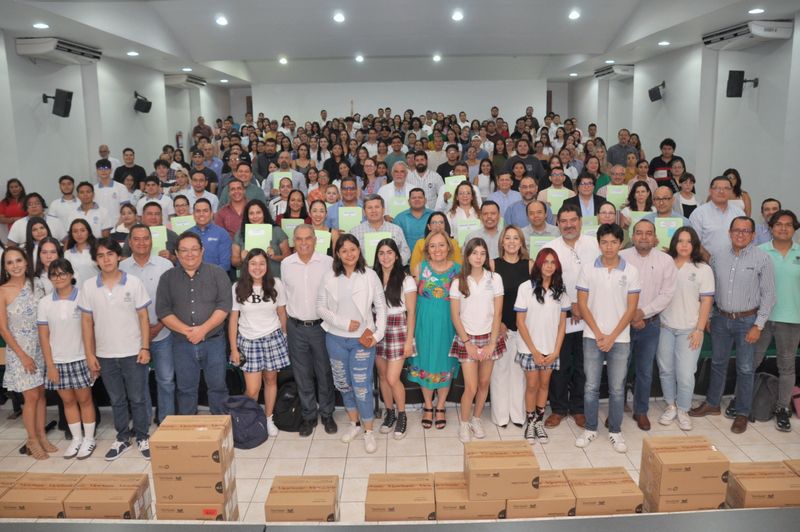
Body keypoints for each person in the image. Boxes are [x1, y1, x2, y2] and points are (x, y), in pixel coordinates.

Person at [689, 217, 775, 434]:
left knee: (745, 368)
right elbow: (711, 290)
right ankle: (712, 403)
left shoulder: (762, 258)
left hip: (748, 321)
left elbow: (769, 295)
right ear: (729, 233)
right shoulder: (718, 257)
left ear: (753, 235)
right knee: (718, 363)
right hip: (720, 319)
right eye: (736, 230)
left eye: (746, 231)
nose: (740, 234)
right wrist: (708, 317)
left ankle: (742, 413)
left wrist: (759, 324)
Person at [77, 238, 152, 460]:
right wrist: (90, 354)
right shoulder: (89, 286)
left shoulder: (134, 283)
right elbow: (86, 323)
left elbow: (143, 317)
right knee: (117, 399)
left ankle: (142, 436)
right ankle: (122, 438)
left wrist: (145, 347)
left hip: (133, 351)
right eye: (100, 256)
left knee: (138, 398)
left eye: (110, 254)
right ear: (96, 261)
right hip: (105, 354)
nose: (106, 259)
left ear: (119, 256)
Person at [317, 234, 387, 453]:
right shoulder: (329, 276)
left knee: (362, 386)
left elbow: (381, 308)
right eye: (344, 250)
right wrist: (343, 322)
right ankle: (354, 424)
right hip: (335, 338)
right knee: (343, 384)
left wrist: (377, 336)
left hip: (362, 341)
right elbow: (320, 307)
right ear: (337, 253)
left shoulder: (370, 275)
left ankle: (368, 431)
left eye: (353, 249)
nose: (349, 254)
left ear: (359, 250)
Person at [575, 223, 640, 453]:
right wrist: (599, 333)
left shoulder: (630, 271)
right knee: (591, 386)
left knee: (617, 388)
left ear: (620, 243)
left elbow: (631, 309)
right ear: (599, 243)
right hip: (592, 336)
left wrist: (612, 336)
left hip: (620, 338)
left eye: (614, 242)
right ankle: (591, 428)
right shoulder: (588, 268)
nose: (609, 247)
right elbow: (582, 303)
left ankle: (615, 431)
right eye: (604, 242)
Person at [156, 232, 233, 415]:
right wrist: (188, 331)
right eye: (184, 250)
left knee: (218, 388)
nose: (189, 254)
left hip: (214, 341)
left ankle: (220, 431)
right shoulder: (167, 278)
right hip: (182, 343)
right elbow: (163, 311)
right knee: (186, 390)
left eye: (194, 249)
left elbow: (224, 305)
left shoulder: (218, 273)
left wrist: (203, 330)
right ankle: (188, 435)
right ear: (176, 253)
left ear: (202, 250)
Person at [544, 205, 599, 429]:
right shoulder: (551, 248)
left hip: (589, 317)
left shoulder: (594, 245)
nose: (568, 225)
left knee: (582, 365)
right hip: (561, 317)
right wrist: (570, 305)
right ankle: (558, 408)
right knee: (560, 365)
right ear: (558, 224)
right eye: (563, 221)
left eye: (572, 220)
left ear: (580, 221)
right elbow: (549, 281)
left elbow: (599, 278)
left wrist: (582, 306)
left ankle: (578, 408)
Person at [619, 220, 678, 430]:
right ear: (632, 236)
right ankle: (616, 412)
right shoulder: (621, 258)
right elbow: (615, 290)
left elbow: (667, 294)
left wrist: (643, 313)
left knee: (644, 370)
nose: (644, 237)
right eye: (639, 233)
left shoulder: (665, 260)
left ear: (655, 237)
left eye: (648, 233)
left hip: (650, 324)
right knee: (619, 369)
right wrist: (630, 316)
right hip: (622, 324)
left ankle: (640, 411)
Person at [281, 225, 338, 436]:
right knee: (302, 373)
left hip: (321, 326)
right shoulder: (286, 264)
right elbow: (284, 296)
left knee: (324, 372)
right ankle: (308, 416)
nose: (304, 243)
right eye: (299, 239)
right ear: (293, 241)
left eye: (308, 239)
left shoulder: (327, 263)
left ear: (315, 240)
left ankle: (327, 414)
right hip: (295, 326)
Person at [38, 258, 97, 459]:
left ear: (71, 275)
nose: (59, 278)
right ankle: (77, 439)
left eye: (63, 273)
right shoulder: (44, 303)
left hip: (81, 358)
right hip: (58, 362)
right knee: (68, 402)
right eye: (54, 274)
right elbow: (44, 337)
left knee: (85, 399)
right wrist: (50, 365)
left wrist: (92, 358)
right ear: (49, 277)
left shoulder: (83, 297)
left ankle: (89, 440)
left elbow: (92, 330)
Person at [656, 227, 714, 431]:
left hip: (689, 330)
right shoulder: (666, 264)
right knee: (665, 370)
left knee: (686, 373)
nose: (683, 245)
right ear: (674, 243)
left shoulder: (703, 269)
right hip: (665, 327)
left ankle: (683, 409)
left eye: (688, 241)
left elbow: (707, 300)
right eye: (680, 241)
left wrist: (699, 329)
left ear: (694, 245)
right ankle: (670, 405)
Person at [229, 249, 290, 438]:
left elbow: (281, 313)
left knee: (271, 381)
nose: (258, 267)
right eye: (253, 263)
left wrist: (285, 336)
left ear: (267, 265)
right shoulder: (238, 287)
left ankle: (268, 418)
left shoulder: (276, 284)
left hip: (273, 338)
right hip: (248, 341)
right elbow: (233, 319)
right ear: (247, 266)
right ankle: (251, 420)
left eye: (262, 263)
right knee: (253, 389)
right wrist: (233, 348)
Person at [450, 238, 505, 443]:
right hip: (468, 339)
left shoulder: (495, 278)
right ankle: (464, 424)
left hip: (489, 337)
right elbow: (455, 315)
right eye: (475, 253)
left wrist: (492, 342)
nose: (478, 257)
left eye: (482, 253)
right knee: (471, 387)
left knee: (484, 383)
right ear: (467, 256)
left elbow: (497, 312)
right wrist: (467, 343)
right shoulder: (458, 281)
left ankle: (476, 419)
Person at [120, 225, 175, 424]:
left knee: (166, 380)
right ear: (130, 242)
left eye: (145, 238)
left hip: (163, 332)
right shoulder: (121, 268)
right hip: (133, 336)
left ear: (152, 241)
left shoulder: (165, 265)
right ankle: (142, 421)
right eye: (136, 239)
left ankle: (166, 420)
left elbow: (172, 301)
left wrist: (159, 325)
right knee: (138, 383)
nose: (141, 243)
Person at [515, 247, 570, 443]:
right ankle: (530, 422)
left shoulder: (560, 291)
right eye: (545, 262)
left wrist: (556, 350)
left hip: (551, 349)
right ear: (538, 264)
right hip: (530, 349)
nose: (549, 266)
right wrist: (534, 351)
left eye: (552, 262)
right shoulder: (525, 288)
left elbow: (562, 323)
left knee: (545, 384)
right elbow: (520, 322)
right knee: (532, 385)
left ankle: (539, 421)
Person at [0, 247, 50, 459]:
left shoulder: (37, 284)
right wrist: (23, 355)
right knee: (30, 396)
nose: (15, 265)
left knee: (40, 394)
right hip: (19, 351)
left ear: (27, 262)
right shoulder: (3, 291)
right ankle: (31, 440)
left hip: (40, 346)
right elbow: (3, 328)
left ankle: (41, 436)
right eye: (10, 262)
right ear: (5, 267)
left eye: (18, 260)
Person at [409, 231, 461, 429]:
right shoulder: (419, 268)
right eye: (433, 246)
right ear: (427, 250)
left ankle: (441, 405)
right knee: (424, 361)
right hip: (424, 323)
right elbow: (411, 301)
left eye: (441, 245)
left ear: (449, 248)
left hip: (448, 324)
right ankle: (428, 405)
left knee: (444, 362)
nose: (437, 249)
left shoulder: (459, 270)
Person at [754, 210, 800, 432]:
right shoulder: (759, 252)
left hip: (791, 319)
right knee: (750, 362)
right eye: (779, 224)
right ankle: (742, 400)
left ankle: (783, 408)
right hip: (760, 319)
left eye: (788, 225)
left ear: (794, 228)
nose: (783, 228)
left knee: (787, 366)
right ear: (770, 228)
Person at [373, 239, 416, 440]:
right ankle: (389, 413)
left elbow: (412, 313)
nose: (385, 257)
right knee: (382, 377)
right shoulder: (372, 277)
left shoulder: (406, 279)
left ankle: (402, 415)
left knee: (392, 378)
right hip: (377, 328)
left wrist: (409, 341)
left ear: (396, 255)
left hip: (398, 328)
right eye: (381, 253)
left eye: (389, 252)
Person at [490, 225, 529, 428]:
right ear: (502, 242)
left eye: (516, 238)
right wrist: (498, 324)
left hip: (523, 327)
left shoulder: (530, 266)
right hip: (500, 328)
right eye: (508, 238)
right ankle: (500, 416)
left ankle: (517, 414)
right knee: (499, 372)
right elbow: (487, 298)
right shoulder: (493, 265)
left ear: (521, 242)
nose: (512, 242)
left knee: (519, 372)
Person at [689, 176, 745, 260]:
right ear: (710, 191)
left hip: (735, 263)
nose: (722, 191)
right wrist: (710, 261)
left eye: (726, 188)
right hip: (706, 264)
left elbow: (745, 239)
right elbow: (694, 242)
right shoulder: (699, 213)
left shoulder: (739, 213)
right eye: (717, 188)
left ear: (731, 191)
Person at [349, 195, 411, 265]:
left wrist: (394, 263)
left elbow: (406, 252)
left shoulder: (396, 230)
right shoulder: (355, 232)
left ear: (383, 210)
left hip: (392, 272)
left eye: (377, 207)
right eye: (370, 208)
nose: (374, 211)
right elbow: (350, 254)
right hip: (365, 272)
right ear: (364, 211)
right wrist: (361, 263)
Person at [188, 198, 232, 272]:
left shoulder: (222, 234)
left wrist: (208, 276)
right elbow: (181, 263)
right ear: (193, 214)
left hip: (216, 279)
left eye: (205, 211)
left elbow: (225, 265)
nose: (201, 214)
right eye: (198, 211)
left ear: (211, 213)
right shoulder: (186, 235)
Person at [65, 219, 100, 285]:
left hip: (96, 288)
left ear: (88, 232)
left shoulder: (97, 250)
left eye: (82, 230)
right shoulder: (67, 254)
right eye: (75, 231)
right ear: (71, 234)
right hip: (76, 291)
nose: (79, 234)